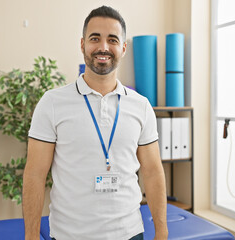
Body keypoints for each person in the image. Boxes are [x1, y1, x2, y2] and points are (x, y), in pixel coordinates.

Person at [22, 5, 168, 240]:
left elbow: (152, 173)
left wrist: (161, 232)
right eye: (95, 38)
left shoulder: (141, 106)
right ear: (83, 45)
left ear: (123, 47)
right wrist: (31, 236)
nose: (103, 47)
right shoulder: (52, 102)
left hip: (129, 233)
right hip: (70, 235)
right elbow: (34, 175)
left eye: (112, 40)